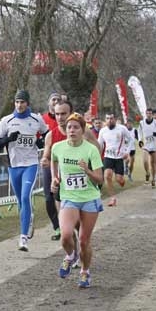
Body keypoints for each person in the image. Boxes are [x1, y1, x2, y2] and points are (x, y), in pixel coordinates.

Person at [51, 113, 104, 289]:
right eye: (69, 127)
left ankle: (84, 272)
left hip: (89, 199)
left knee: (84, 240)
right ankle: (70, 255)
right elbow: (54, 162)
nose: (72, 130)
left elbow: (100, 179)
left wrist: (87, 170)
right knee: (66, 236)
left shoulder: (91, 150)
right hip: (69, 197)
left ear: (83, 130)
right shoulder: (58, 147)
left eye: (76, 127)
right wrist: (55, 178)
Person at [0, 89, 48, 251]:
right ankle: (28, 217)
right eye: (17, 102)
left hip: (30, 164)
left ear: (27, 103)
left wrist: (40, 142)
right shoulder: (6, 120)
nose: (19, 105)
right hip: (14, 166)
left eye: (22, 102)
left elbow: (47, 135)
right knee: (20, 201)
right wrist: (8, 139)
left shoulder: (36, 119)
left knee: (25, 197)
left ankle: (23, 238)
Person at [42, 100, 100, 241]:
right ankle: (70, 248)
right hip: (63, 184)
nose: (60, 117)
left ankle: (81, 245)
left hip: (82, 185)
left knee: (79, 225)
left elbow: (97, 149)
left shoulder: (83, 132)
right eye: (57, 114)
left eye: (63, 114)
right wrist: (45, 162)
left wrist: (90, 168)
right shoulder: (51, 135)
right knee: (65, 225)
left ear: (71, 114)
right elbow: (48, 157)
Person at [97, 113, 133, 207]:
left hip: (119, 157)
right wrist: (97, 156)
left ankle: (122, 180)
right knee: (107, 176)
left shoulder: (121, 128)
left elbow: (130, 140)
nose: (110, 120)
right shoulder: (103, 131)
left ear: (115, 119)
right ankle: (112, 198)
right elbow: (100, 145)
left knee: (119, 179)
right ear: (105, 120)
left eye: (111, 118)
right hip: (108, 157)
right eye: (107, 118)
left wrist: (127, 152)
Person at [40, 92, 62, 239]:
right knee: (49, 198)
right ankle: (57, 227)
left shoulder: (71, 120)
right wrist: (44, 158)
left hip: (66, 163)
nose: (55, 102)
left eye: (58, 100)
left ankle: (66, 225)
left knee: (62, 197)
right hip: (50, 163)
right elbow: (38, 139)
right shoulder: (43, 119)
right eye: (53, 99)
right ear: (48, 102)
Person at [138, 108, 156, 187]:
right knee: (145, 161)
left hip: (154, 145)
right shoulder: (142, 123)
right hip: (146, 145)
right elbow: (139, 132)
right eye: (147, 113)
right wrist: (140, 140)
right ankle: (147, 173)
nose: (149, 115)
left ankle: (153, 179)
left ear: (152, 114)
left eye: (150, 113)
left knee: (153, 163)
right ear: (145, 114)